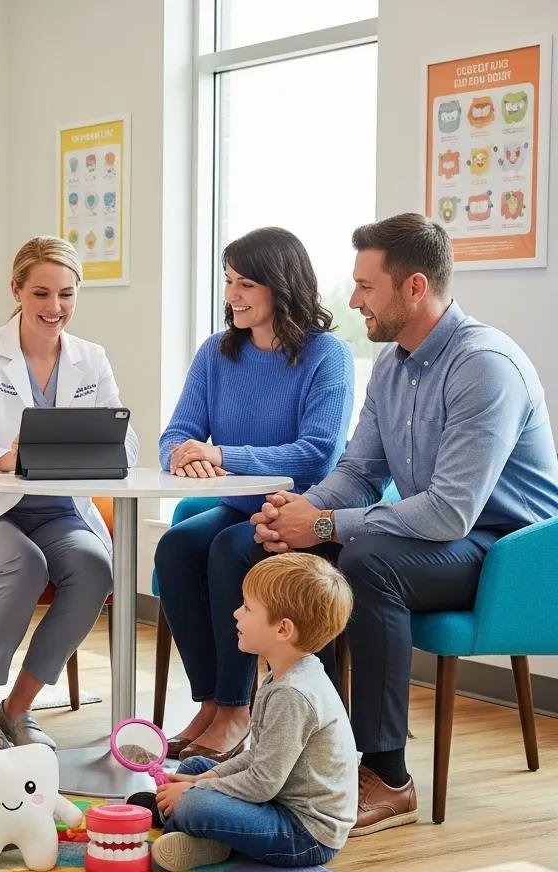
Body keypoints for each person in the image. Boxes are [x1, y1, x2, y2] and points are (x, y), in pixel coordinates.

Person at [211, 212, 558, 835]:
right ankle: (304, 748)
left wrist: (325, 527)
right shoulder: (395, 365)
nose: (353, 301)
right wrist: (298, 516)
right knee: (273, 552)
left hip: (510, 553)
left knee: (368, 562)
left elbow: (451, 510)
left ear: (415, 287)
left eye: (366, 287)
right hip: (441, 538)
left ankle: (388, 775)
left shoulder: (484, 366)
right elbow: (359, 470)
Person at [0, 235, 139, 750]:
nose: (54, 307)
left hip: (59, 512)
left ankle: (18, 708)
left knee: (96, 567)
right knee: (24, 564)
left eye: (66, 294)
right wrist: (7, 457)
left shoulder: (91, 358)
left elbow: (125, 438)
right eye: (41, 293)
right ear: (17, 290)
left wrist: (94, 449)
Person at [154, 226, 354, 761]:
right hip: (242, 506)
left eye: (245, 283)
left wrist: (222, 454)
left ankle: (236, 709)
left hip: (304, 515)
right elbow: (176, 436)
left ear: (280, 285)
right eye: (228, 281)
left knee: (229, 548)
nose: (232, 295)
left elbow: (317, 454)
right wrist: (186, 455)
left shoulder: (326, 355)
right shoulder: (216, 354)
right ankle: (211, 703)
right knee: (176, 546)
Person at [138, 553, 357, 872]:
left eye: (248, 608)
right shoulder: (283, 675)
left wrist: (195, 789)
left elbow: (262, 783)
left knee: (194, 803)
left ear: (282, 629)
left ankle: (192, 827)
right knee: (196, 765)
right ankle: (199, 829)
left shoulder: (293, 694)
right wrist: (201, 778)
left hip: (304, 835)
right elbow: (257, 757)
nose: (236, 613)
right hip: (277, 799)